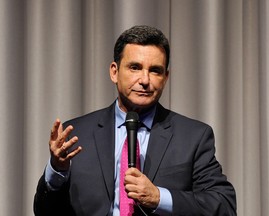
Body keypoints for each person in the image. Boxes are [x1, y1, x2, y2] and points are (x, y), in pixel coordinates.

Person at [34, 25, 236, 216]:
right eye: (135, 67)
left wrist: (158, 197)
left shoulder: (193, 136)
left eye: (155, 70)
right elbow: (45, 212)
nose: (145, 80)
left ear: (166, 77)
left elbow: (223, 205)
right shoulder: (77, 134)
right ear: (114, 72)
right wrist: (57, 172)